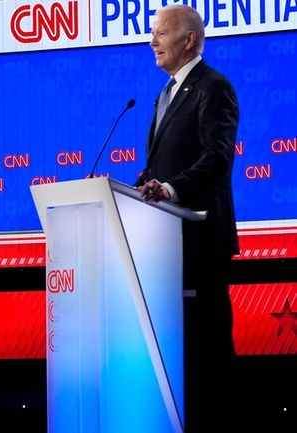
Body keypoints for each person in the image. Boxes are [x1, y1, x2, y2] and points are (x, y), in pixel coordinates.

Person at [137, 5, 239, 432]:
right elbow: (166, 160)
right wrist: (145, 182)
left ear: (189, 40)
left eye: (160, 33)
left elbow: (216, 158)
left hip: (199, 240)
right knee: (178, 360)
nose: (152, 41)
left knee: (207, 356)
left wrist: (171, 188)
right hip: (166, 246)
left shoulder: (213, 87)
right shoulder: (165, 93)